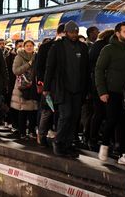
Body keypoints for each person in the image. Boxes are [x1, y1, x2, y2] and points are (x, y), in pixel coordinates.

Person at [43, 21, 90, 157]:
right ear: (66, 32)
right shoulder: (57, 47)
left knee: (74, 117)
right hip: (63, 88)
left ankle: (68, 144)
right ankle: (58, 142)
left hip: (78, 89)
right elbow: (50, 68)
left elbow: (86, 70)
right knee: (66, 115)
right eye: (71, 32)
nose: (74, 35)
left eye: (76, 32)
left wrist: (87, 89)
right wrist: (46, 87)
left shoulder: (82, 47)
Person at [95, 22, 125, 166]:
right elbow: (99, 70)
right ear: (117, 33)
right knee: (112, 120)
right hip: (113, 92)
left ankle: (123, 154)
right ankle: (104, 144)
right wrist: (102, 91)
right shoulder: (108, 49)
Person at [35, 23, 65, 147]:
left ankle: (57, 136)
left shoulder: (71, 47)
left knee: (60, 112)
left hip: (63, 86)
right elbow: (40, 67)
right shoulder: (46, 47)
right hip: (49, 85)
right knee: (47, 111)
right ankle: (41, 135)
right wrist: (42, 82)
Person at [87, 29, 114, 149]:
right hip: (99, 84)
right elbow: (97, 68)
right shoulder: (103, 47)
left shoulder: (98, 46)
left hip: (98, 84)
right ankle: (93, 138)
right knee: (99, 113)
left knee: (100, 113)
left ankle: (93, 138)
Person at [11, 40, 39, 139]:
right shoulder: (19, 56)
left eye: (31, 45)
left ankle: (31, 131)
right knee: (22, 110)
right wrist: (29, 64)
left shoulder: (36, 56)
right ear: (24, 47)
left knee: (33, 110)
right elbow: (15, 71)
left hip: (33, 87)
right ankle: (22, 132)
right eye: (27, 45)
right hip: (22, 87)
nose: (29, 47)